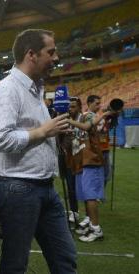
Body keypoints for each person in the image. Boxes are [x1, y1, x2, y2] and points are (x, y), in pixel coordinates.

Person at [0, 29, 77, 274]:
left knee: (65, 257)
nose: (56, 57)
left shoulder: (35, 90)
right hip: (18, 188)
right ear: (31, 55)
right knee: (16, 264)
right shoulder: (7, 90)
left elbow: (36, 133)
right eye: (51, 51)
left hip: (44, 186)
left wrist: (55, 135)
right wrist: (43, 132)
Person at [68, 95, 113, 242]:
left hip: (92, 160)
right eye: (96, 103)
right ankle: (90, 223)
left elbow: (89, 127)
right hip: (83, 161)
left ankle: (96, 228)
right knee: (86, 196)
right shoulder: (85, 117)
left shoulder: (89, 117)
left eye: (100, 103)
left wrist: (105, 115)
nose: (99, 106)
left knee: (90, 196)